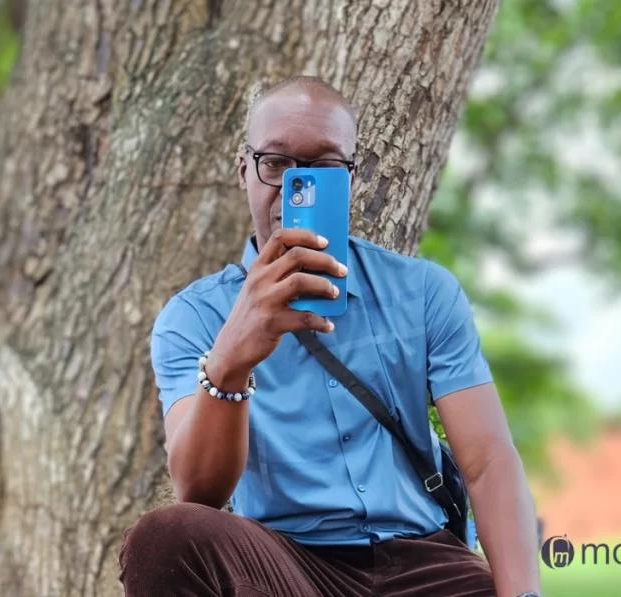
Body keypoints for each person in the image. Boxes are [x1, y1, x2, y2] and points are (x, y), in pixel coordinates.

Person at [118, 76, 543, 597]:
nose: (297, 186)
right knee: (164, 535)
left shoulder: (424, 292)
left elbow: (488, 460)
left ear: (352, 177)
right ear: (243, 171)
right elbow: (198, 492)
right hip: (286, 564)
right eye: (275, 163)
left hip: (421, 557)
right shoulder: (194, 317)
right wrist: (230, 358)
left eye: (324, 166)